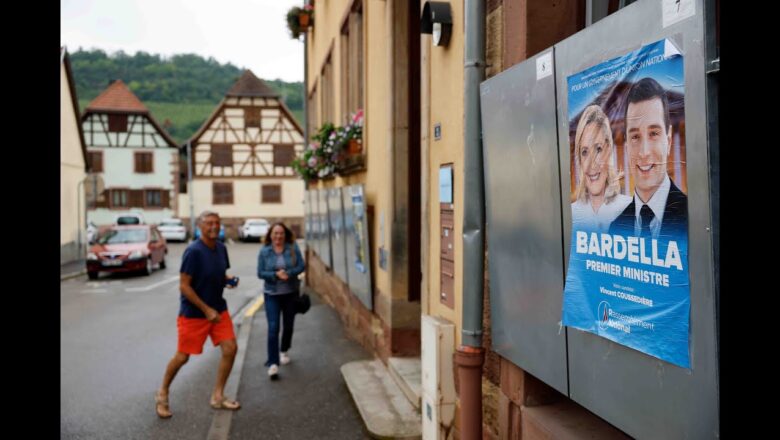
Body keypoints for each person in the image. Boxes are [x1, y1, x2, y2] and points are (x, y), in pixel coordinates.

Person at [155, 211, 241, 419]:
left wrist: (227, 280)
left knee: (230, 348)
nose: (213, 226)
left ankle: (218, 396)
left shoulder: (221, 248)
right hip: (194, 314)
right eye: (209, 223)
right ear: (200, 227)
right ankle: (163, 393)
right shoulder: (193, 251)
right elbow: (184, 287)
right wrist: (206, 310)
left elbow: (219, 274)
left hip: (218, 310)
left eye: (217, 223)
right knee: (183, 357)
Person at [609, 77, 688, 239]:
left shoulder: (693, 218)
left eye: (653, 133)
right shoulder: (615, 227)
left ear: (669, 139)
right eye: (635, 136)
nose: (644, 152)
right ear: (626, 146)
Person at [571, 104, 632, 232]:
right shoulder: (572, 215)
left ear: (608, 149)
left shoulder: (629, 209)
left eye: (598, 149)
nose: (591, 164)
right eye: (585, 152)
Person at [257, 222, 305, 379]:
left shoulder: (292, 248)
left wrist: (289, 273)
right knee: (273, 327)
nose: (278, 236)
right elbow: (260, 273)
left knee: (289, 326)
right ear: (270, 235)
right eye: (275, 233)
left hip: (290, 293)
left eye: (281, 233)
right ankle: (272, 363)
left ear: (285, 235)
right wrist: (275, 275)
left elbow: (301, 266)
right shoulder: (264, 252)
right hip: (271, 294)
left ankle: (284, 350)